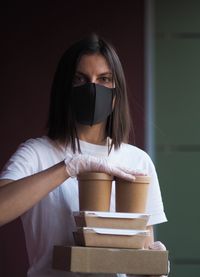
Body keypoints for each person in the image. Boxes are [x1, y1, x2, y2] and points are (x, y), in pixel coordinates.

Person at [0, 33, 168, 277]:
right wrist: (67, 167)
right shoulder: (37, 154)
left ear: (116, 92)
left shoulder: (137, 161)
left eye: (104, 79)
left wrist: (153, 266)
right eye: (80, 79)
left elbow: (138, 254)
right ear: (64, 89)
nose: (92, 88)